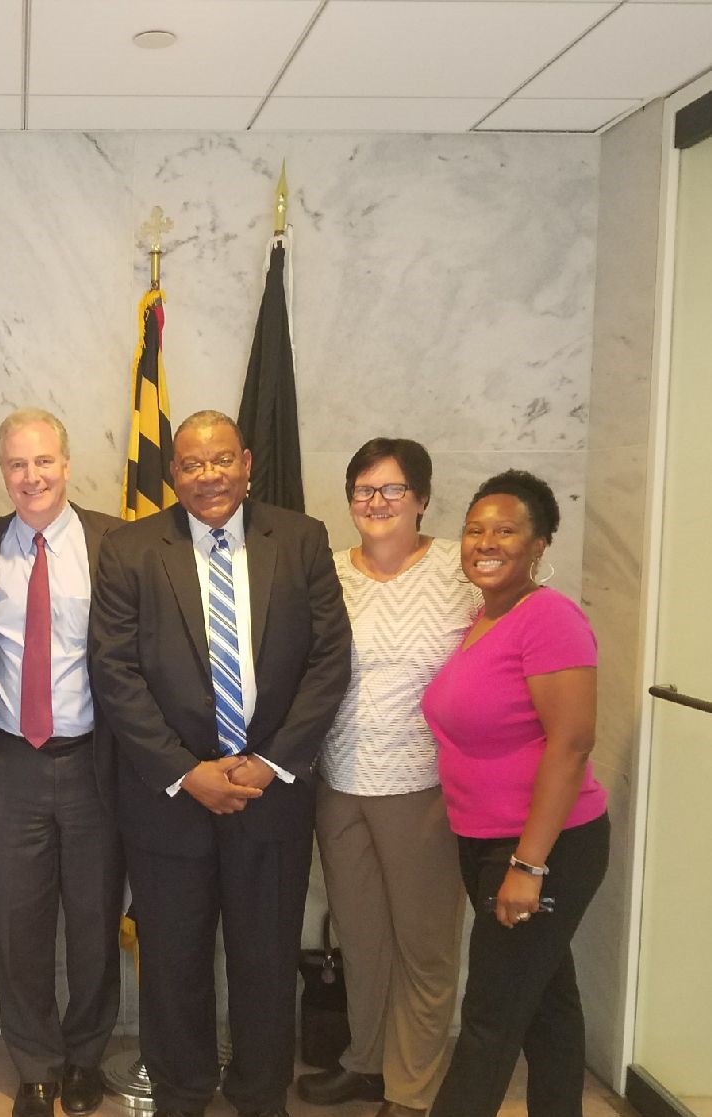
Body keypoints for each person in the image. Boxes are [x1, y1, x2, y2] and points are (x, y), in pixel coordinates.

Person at [89, 410, 352, 1117]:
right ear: (173, 473)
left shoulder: (300, 539)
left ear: (247, 462)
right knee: (173, 964)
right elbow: (114, 671)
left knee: (266, 962)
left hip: (273, 796)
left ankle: (262, 1096)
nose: (208, 475)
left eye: (221, 460)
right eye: (192, 464)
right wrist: (186, 769)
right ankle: (180, 1095)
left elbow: (329, 661)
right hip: (169, 798)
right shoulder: (130, 547)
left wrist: (270, 763)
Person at [295, 439, 478, 1117]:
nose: (375, 504)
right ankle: (364, 1063)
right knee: (361, 936)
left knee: (425, 947)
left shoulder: (461, 568)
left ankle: (411, 1087)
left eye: (391, 490)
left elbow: (515, 645)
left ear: (423, 498)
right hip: (340, 782)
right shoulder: (330, 571)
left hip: (425, 787)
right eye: (362, 491)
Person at [422, 470, 609, 1117]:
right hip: (486, 840)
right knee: (547, 1007)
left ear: (539, 544)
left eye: (506, 529)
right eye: (475, 529)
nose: (486, 541)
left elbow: (572, 744)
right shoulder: (484, 618)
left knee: (490, 1016)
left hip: (542, 844)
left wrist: (528, 865)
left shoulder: (549, 617)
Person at [0, 409, 122, 1117]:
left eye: (44, 462)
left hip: (96, 764)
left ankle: (86, 1056)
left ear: (67, 461)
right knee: (17, 923)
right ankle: (34, 1061)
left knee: (93, 921)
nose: (32, 477)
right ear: (3, 471)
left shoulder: (116, 543)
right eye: (17, 465)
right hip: (12, 765)